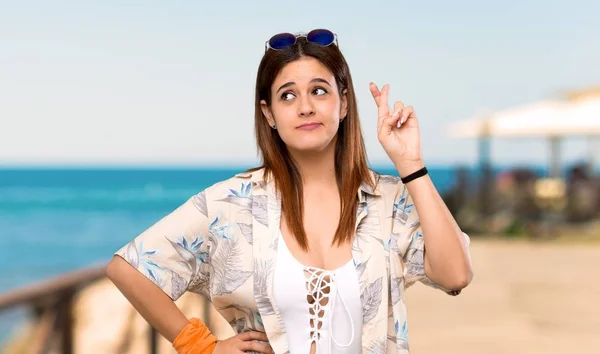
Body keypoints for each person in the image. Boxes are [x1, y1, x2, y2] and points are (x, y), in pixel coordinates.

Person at [106, 28, 473, 354]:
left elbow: (455, 275)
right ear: (268, 114)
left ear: (343, 103)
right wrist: (201, 346)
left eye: (319, 90)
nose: (306, 107)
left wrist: (410, 164)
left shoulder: (388, 201)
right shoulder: (233, 202)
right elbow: (130, 268)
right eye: (287, 96)